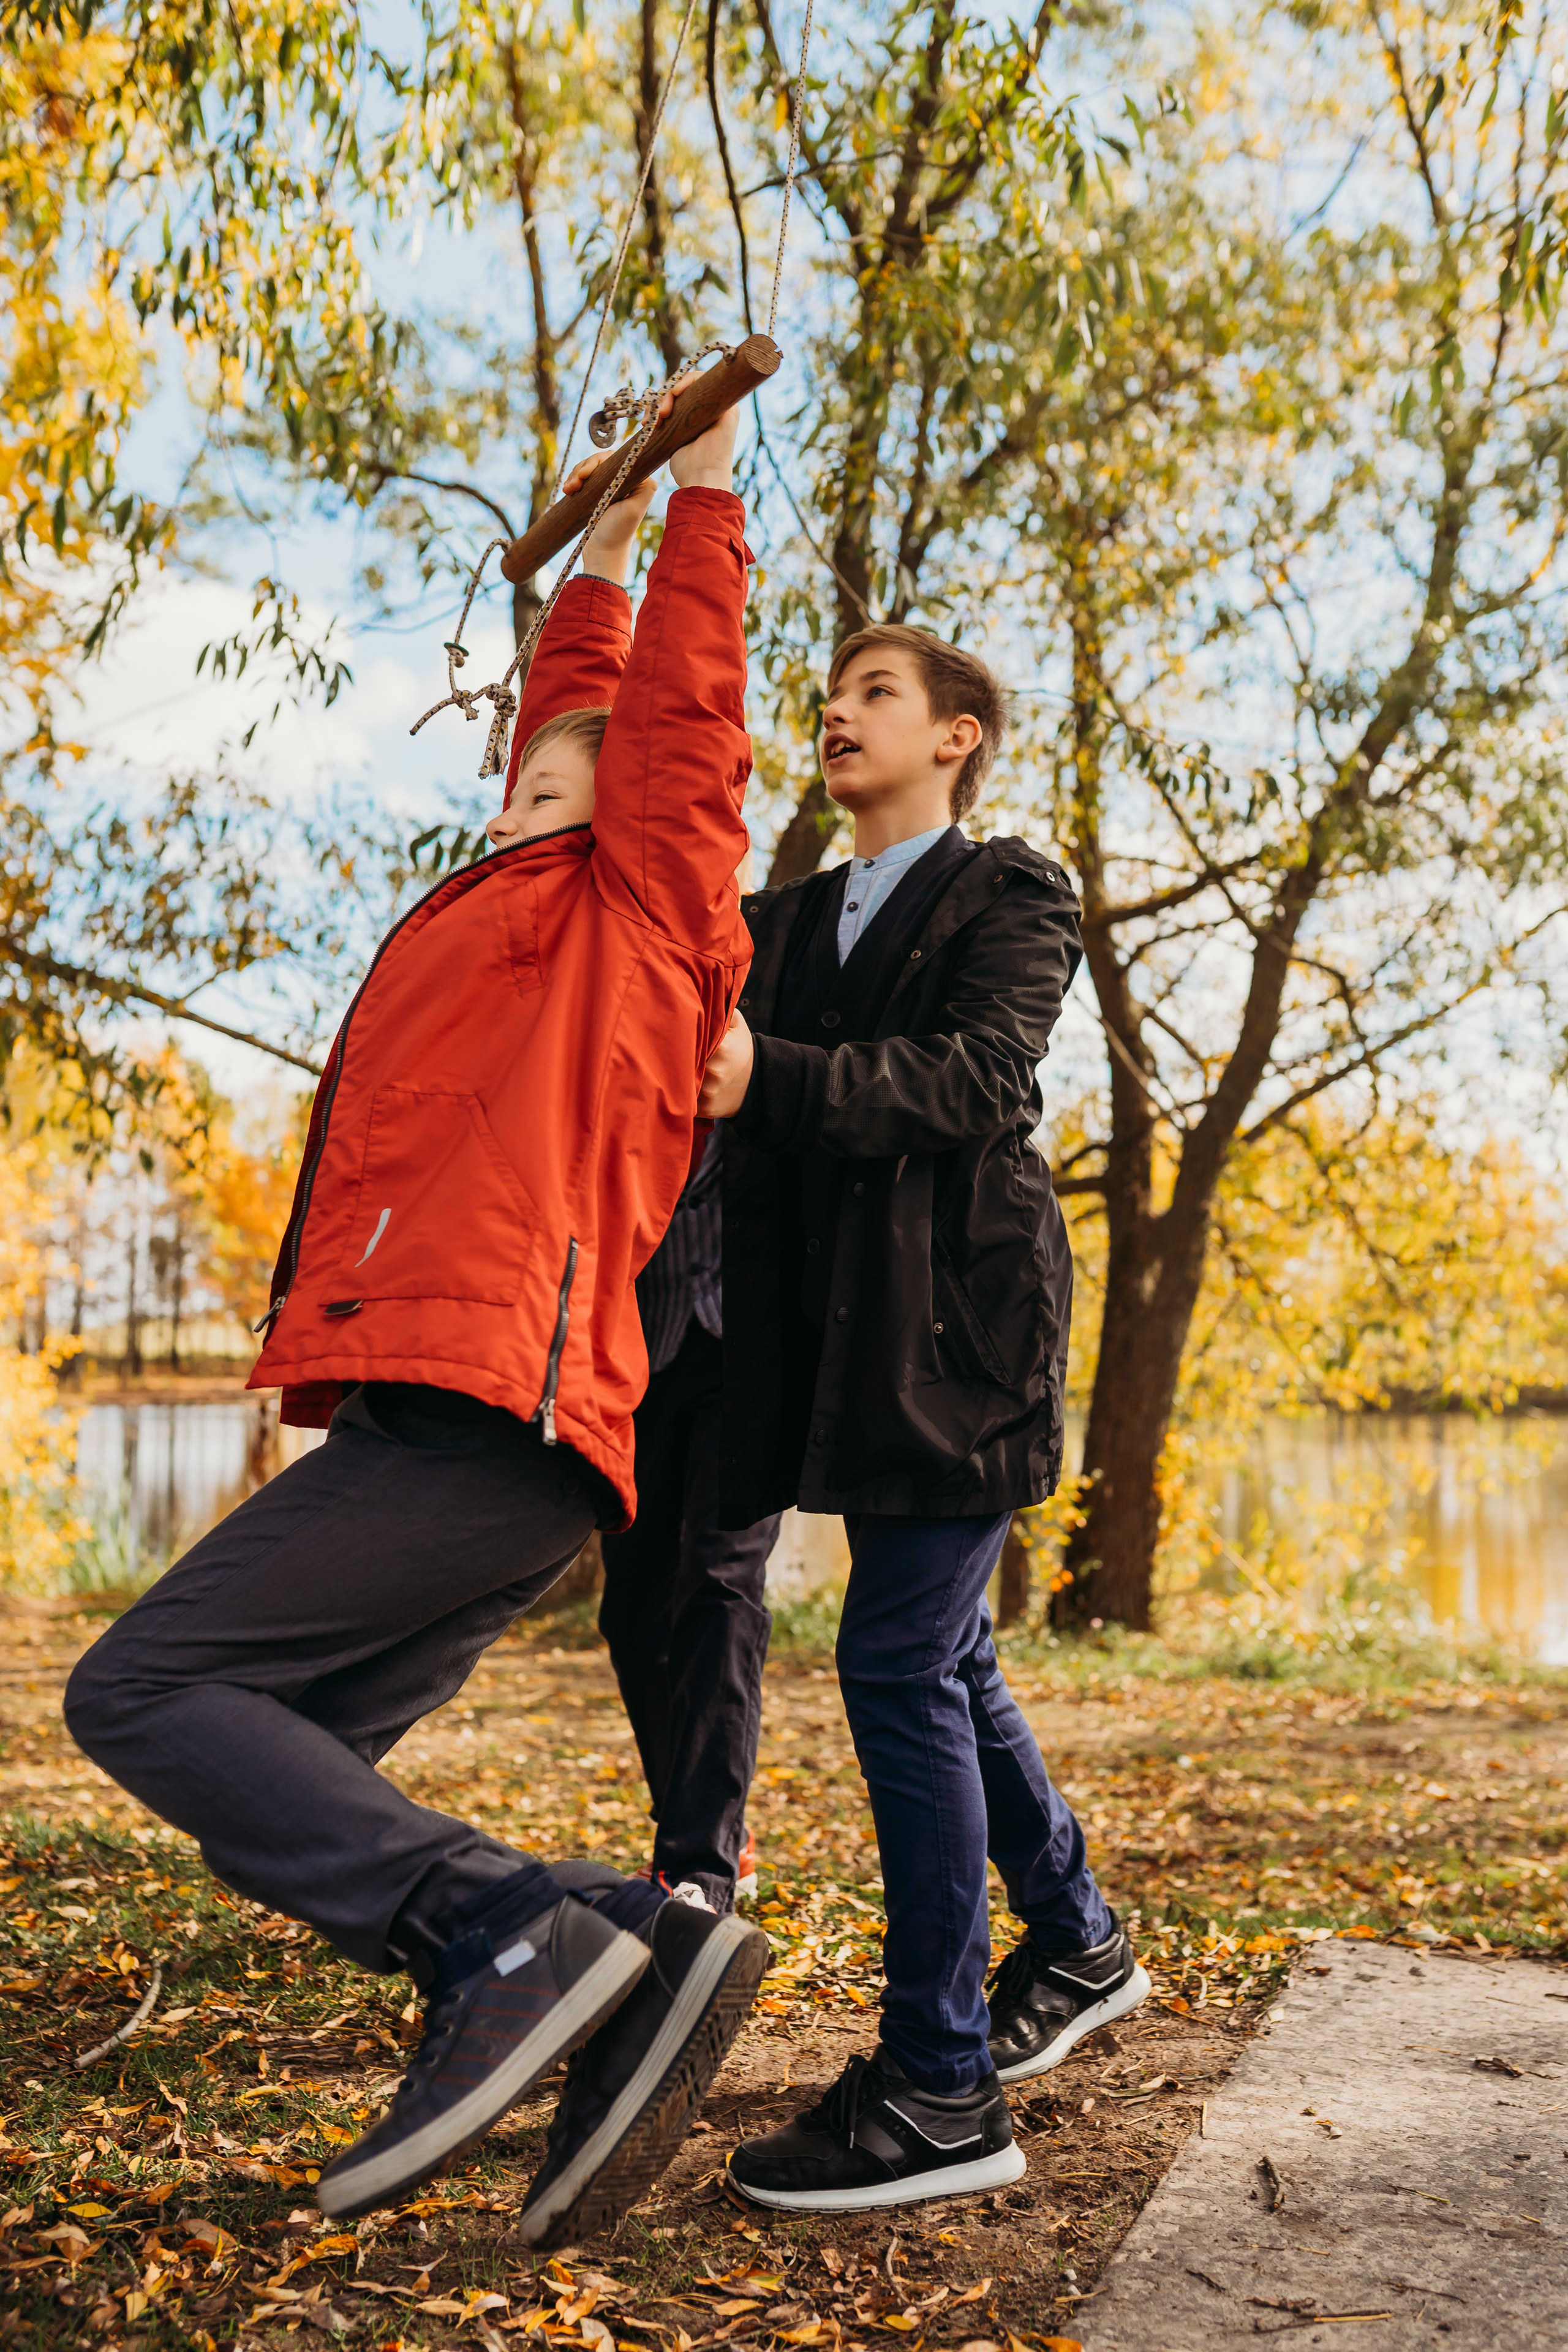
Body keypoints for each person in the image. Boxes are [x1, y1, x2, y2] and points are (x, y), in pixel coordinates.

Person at [62, 388, 769, 2252]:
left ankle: (505, 1932)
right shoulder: (522, 887)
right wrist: (599, 551)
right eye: (531, 772)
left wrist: (701, 501)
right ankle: (629, 1936)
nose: (525, 789)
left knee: (137, 1688)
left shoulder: (640, 902)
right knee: (263, 1772)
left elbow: (677, 732)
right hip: (450, 1429)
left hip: (496, 1410)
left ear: (632, 813)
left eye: (563, 777)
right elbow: (578, 710)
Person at [699, 624, 1150, 2213]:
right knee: (944, 1649)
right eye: (833, 691)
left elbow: (977, 1080)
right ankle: (1078, 1937)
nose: (835, 708)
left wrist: (773, 1083)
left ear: (957, 737)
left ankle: (944, 2084)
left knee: (896, 1657)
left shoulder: (1011, 892)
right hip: (833, 1348)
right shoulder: (779, 921)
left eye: (876, 692)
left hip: (965, 1333)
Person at [598, 1117, 782, 1915]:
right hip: (644, 1351)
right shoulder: (630, 1029)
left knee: (721, 1581)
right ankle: (699, 1822)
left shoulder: (781, 1013)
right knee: (632, 1611)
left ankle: (700, 1862)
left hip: (753, 1352)